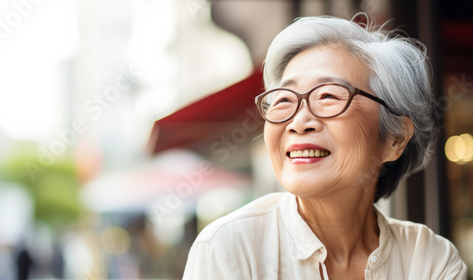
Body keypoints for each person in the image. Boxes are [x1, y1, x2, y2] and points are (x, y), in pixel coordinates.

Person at [182, 15, 468, 279]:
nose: (298, 122)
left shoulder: (429, 259)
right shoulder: (229, 248)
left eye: (329, 96)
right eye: (283, 99)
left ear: (394, 139)